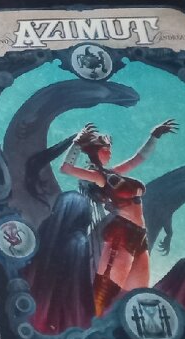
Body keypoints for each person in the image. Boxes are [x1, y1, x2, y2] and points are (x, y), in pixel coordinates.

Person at [59, 118, 178, 315]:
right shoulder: (98, 177)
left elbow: (139, 158)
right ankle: (94, 325)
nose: (110, 152)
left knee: (136, 292)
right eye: (106, 148)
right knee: (107, 291)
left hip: (140, 234)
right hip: (121, 233)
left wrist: (154, 136)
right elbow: (66, 169)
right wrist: (76, 143)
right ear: (95, 151)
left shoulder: (113, 173)